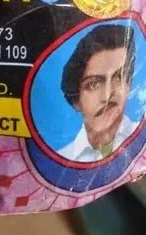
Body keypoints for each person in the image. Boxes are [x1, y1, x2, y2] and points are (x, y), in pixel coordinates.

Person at [59, 24, 141, 162]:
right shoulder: (61, 160)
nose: (108, 95)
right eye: (94, 84)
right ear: (76, 100)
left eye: (118, 77)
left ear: (129, 84)